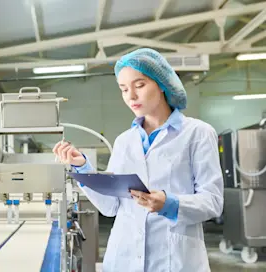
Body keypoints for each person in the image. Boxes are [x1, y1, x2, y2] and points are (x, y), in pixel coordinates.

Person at [53, 48, 223, 272]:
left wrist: (169, 204)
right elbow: (111, 206)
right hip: (123, 260)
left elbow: (212, 201)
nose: (130, 96)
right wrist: (82, 167)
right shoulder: (125, 140)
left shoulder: (197, 133)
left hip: (175, 260)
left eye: (139, 85)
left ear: (162, 84)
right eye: (124, 89)